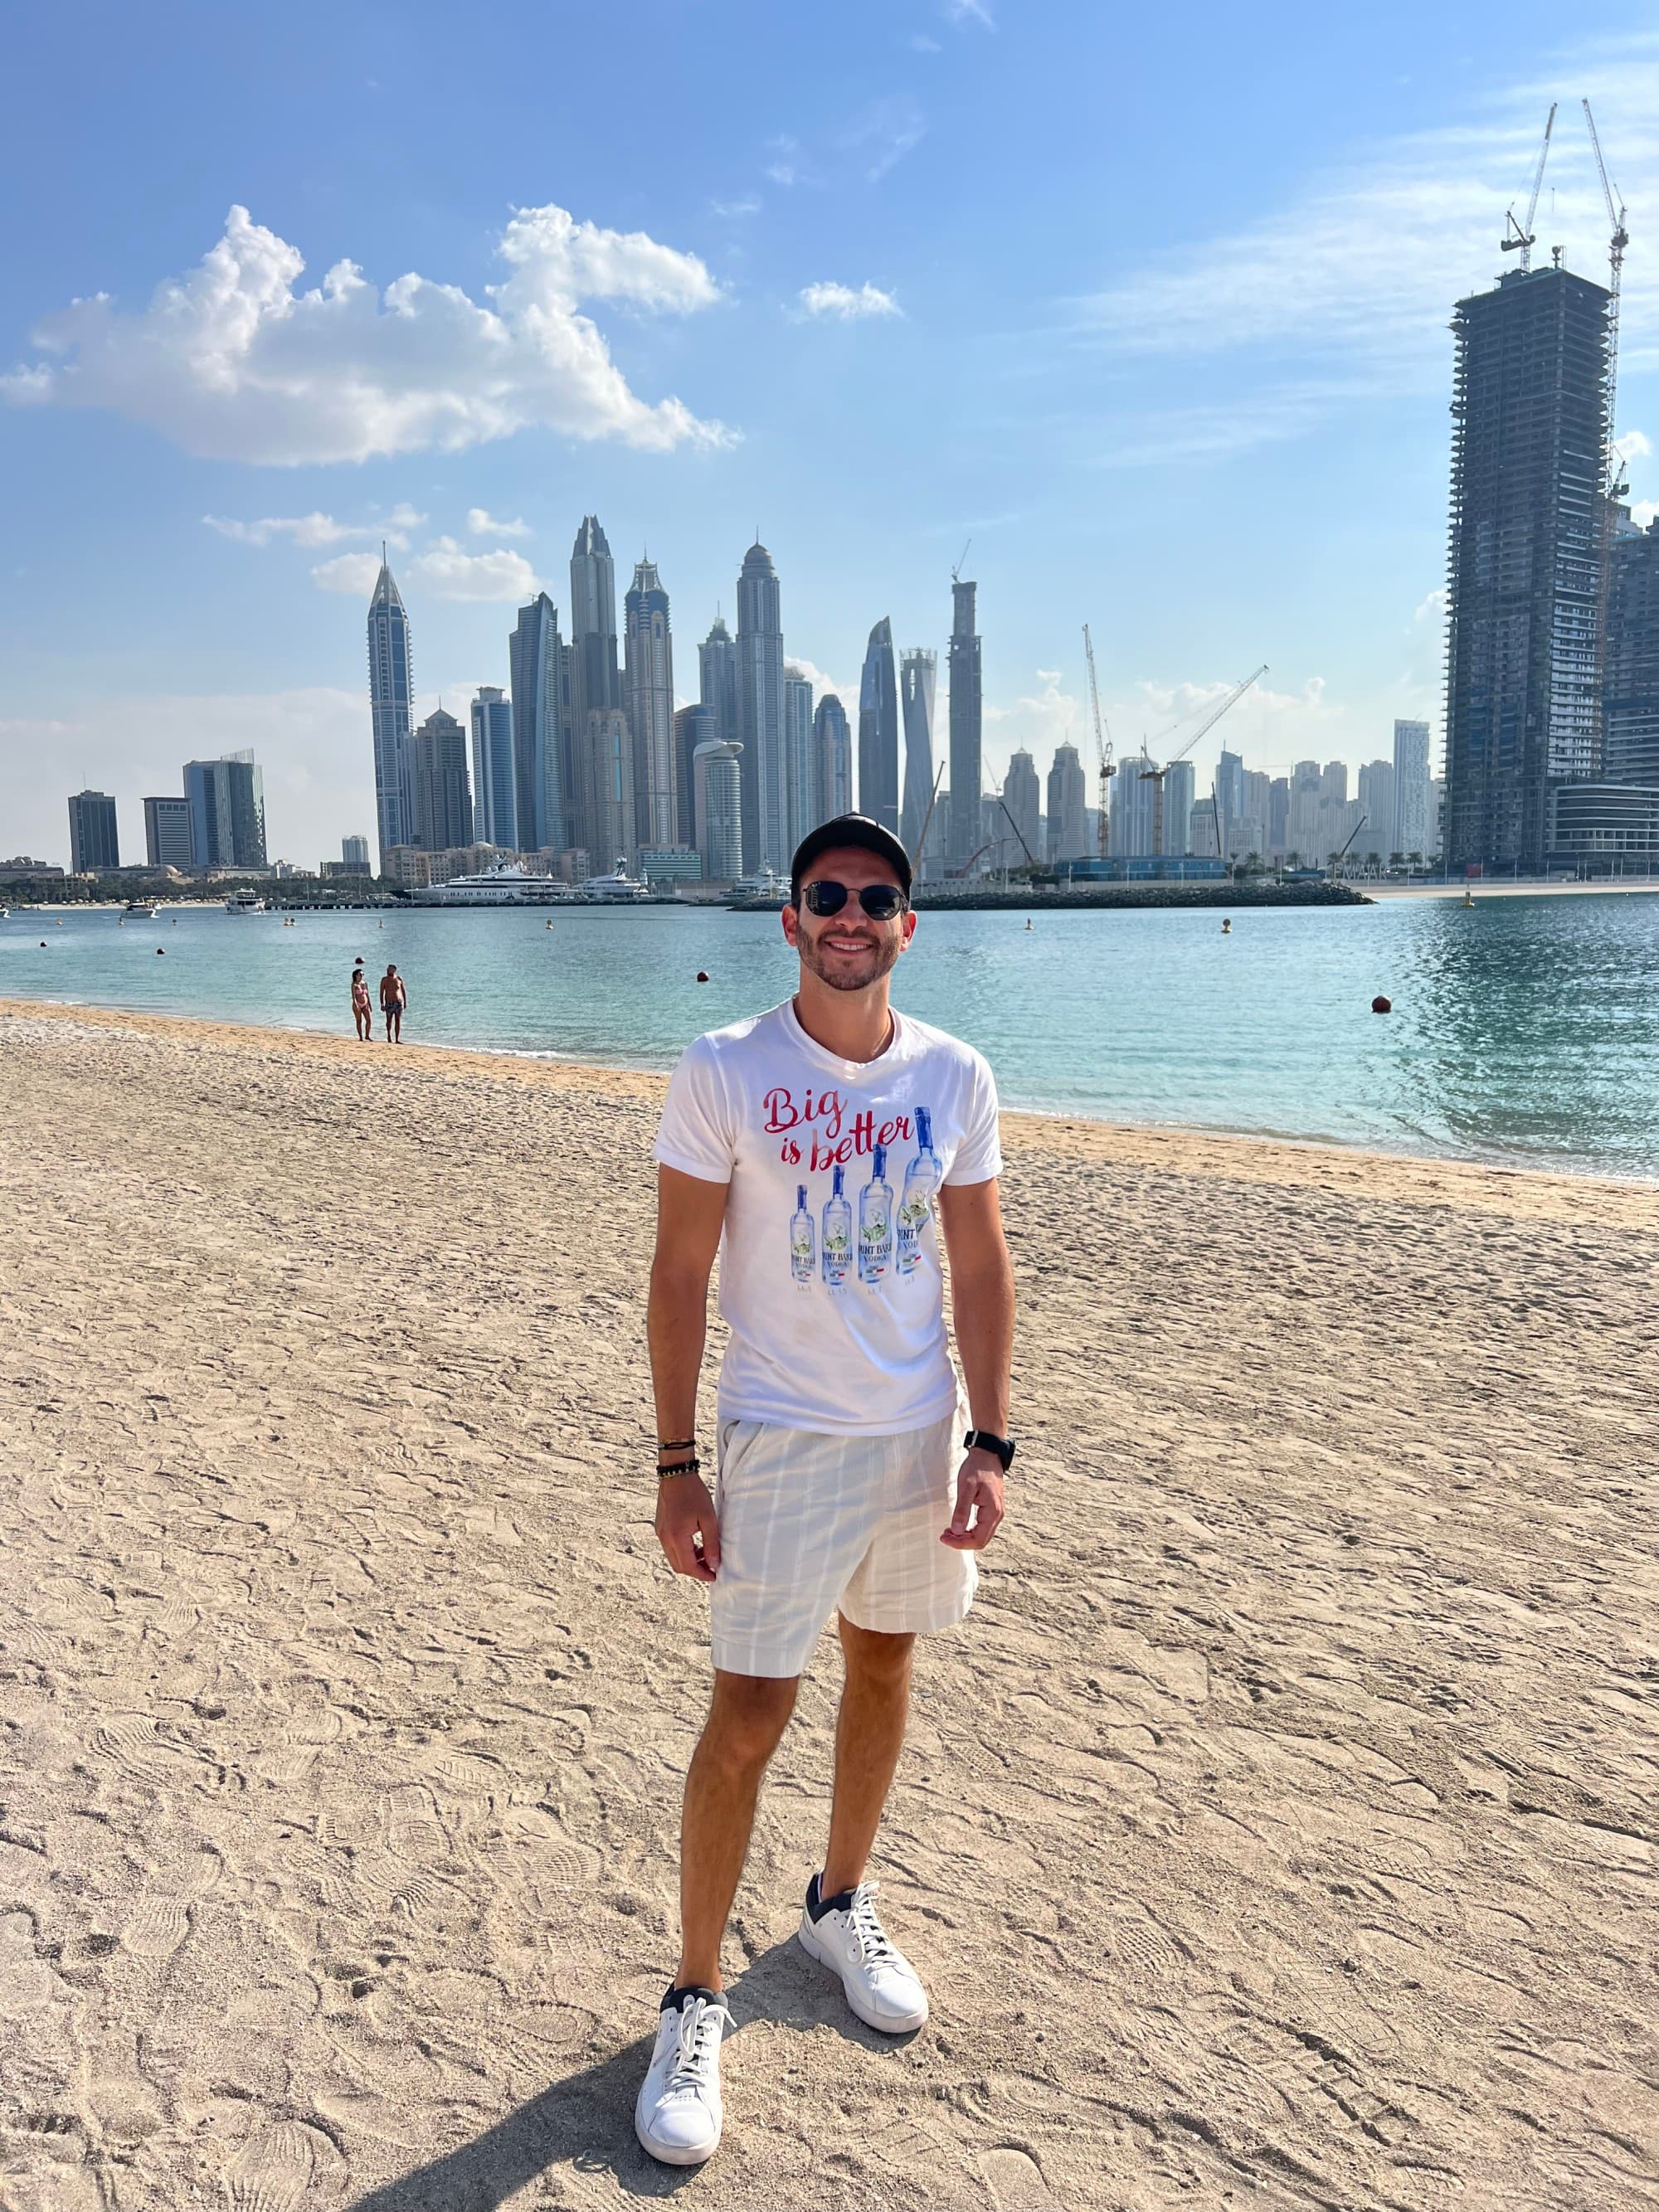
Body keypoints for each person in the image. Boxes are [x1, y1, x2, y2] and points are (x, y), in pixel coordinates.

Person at [638, 813, 1015, 2167]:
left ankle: (836, 1903)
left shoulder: (955, 1075)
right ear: (790, 920)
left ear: (907, 923)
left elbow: (977, 1265)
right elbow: (679, 1275)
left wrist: (993, 1438)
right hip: (783, 1439)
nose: (851, 915)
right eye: (826, 896)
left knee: (886, 1669)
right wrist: (678, 1460)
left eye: (876, 897)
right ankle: (694, 1991)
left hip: (918, 1436)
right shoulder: (724, 1069)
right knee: (747, 1713)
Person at [379, 963, 406, 1043]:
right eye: (387, 969)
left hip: (398, 1003)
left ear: (394, 970)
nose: (388, 971)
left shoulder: (399, 979)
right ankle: (389, 1036)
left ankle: (397, 1039)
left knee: (398, 1020)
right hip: (389, 1003)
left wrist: (405, 1002)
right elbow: (381, 992)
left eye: (389, 969)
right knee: (389, 1021)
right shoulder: (384, 979)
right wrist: (382, 1004)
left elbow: (403, 991)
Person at [351, 964, 373, 1041]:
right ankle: (361, 1037)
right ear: (356, 975)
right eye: (360, 974)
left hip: (365, 1003)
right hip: (357, 1004)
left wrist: (369, 1004)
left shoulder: (365, 983)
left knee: (369, 1020)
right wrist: (356, 1004)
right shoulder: (354, 984)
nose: (361, 976)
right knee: (359, 1020)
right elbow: (353, 996)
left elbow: (367, 994)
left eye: (362, 974)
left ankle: (367, 1035)